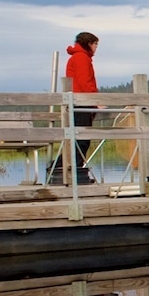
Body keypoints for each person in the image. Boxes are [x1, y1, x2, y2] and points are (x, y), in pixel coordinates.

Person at [51, 32, 99, 185]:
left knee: (78, 140)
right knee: (81, 140)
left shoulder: (79, 57)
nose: (96, 47)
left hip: (79, 103)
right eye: (95, 44)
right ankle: (65, 171)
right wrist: (95, 101)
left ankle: (68, 172)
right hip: (81, 103)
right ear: (89, 43)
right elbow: (85, 82)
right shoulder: (81, 58)